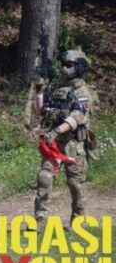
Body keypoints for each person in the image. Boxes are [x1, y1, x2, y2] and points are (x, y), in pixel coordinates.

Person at [34, 47, 98, 231]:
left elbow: (76, 117)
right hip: (54, 144)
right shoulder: (57, 88)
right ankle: (39, 220)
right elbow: (41, 111)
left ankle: (78, 221)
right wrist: (40, 91)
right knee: (44, 177)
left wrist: (55, 131)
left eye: (69, 65)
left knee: (75, 184)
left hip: (73, 144)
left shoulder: (82, 91)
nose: (64, 68)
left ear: (79, 67)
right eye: (62, 64)